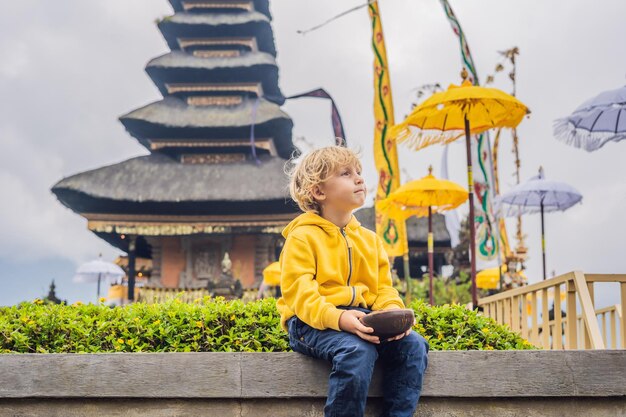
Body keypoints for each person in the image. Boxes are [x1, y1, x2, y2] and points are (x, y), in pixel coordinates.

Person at [277, 146, 429, 417]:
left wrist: (392, 311)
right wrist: (339, 319)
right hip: (311, 323)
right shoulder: (302, 238)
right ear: (319, 192)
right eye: (346, 173)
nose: (359, 178)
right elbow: (301, 296)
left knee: (413, 346)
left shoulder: (369, 240)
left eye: (359, 172)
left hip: (361, 318)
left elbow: (382, 288)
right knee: (357, 350)